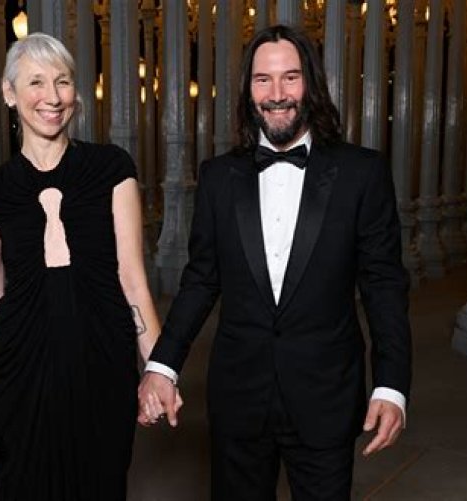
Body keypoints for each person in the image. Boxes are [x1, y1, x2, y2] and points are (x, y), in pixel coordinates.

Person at [138, 25, 412, 500]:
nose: (277, 94)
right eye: (263, 79)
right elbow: (200, 280)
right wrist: (162, 365)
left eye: (291, 77)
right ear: (248, 91)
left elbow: (383, 286)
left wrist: (391, 387)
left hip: (326, 396)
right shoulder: (218, 177)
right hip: (239, 398)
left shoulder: (362, 173)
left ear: (312, 84)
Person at [0, 33, 166, 500]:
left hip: (102, 367)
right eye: (36, 82)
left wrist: (160, 369)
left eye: (62, 81)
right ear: (9, 93)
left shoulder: (112, 168)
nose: (52, 96)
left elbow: (133, 282)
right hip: (18, 374)